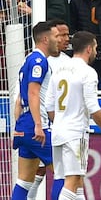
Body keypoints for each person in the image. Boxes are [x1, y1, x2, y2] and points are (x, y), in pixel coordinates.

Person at [45, 30, 101, 200]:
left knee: (74, 181)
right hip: (76, 133)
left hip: (58, 131)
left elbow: (48, 105)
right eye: (96, 47)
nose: (97, 52)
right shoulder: (88, 72)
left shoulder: (59, 69)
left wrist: (62, 121)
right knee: (73, 180)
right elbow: (93, 106)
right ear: (89, 49)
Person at [11, 21, 60, 200]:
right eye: (55, 36)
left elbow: (19, 99)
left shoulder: (28, 60)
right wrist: (38, 125)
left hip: (24, 125)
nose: (58, 40)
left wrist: (20, 125)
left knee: (24, 181)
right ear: (45, 39)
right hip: (36, 127)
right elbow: (33, 92)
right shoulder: (39, 61)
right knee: (65, 174)